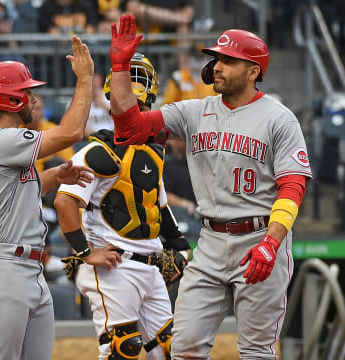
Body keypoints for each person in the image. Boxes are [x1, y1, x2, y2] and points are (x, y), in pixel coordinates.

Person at [108, 14, 312, 359]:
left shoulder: (279, 118)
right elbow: (129, 128)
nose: (216, 66)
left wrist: (271, 243)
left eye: (228, 60)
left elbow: (292, 185)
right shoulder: (194, 110)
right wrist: (121, 67)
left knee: (256, 350)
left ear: (253, 71)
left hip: (259, 238)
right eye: (215, 59)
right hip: (210, 242)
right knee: (185, 346)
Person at [0, 36, 107, 360]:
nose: (34, 99)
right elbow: (71, 132)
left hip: (27, 268)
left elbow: (14, 193)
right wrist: (84, 79)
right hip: (5, 268)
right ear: (8, 99)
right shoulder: (2, 139)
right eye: (26, 92)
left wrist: (55, 176)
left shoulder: (0, 143)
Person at [55, 52, 190, 359]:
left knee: (173, 350)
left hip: (151, 264)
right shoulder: (100, 150)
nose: (136, 110)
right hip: (115, 266)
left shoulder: (154, 149)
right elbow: (64, 201)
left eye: (140, 106)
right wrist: (85, 253)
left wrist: (180, 246)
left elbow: (158, 204)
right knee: (122, 350)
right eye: (131, 104)